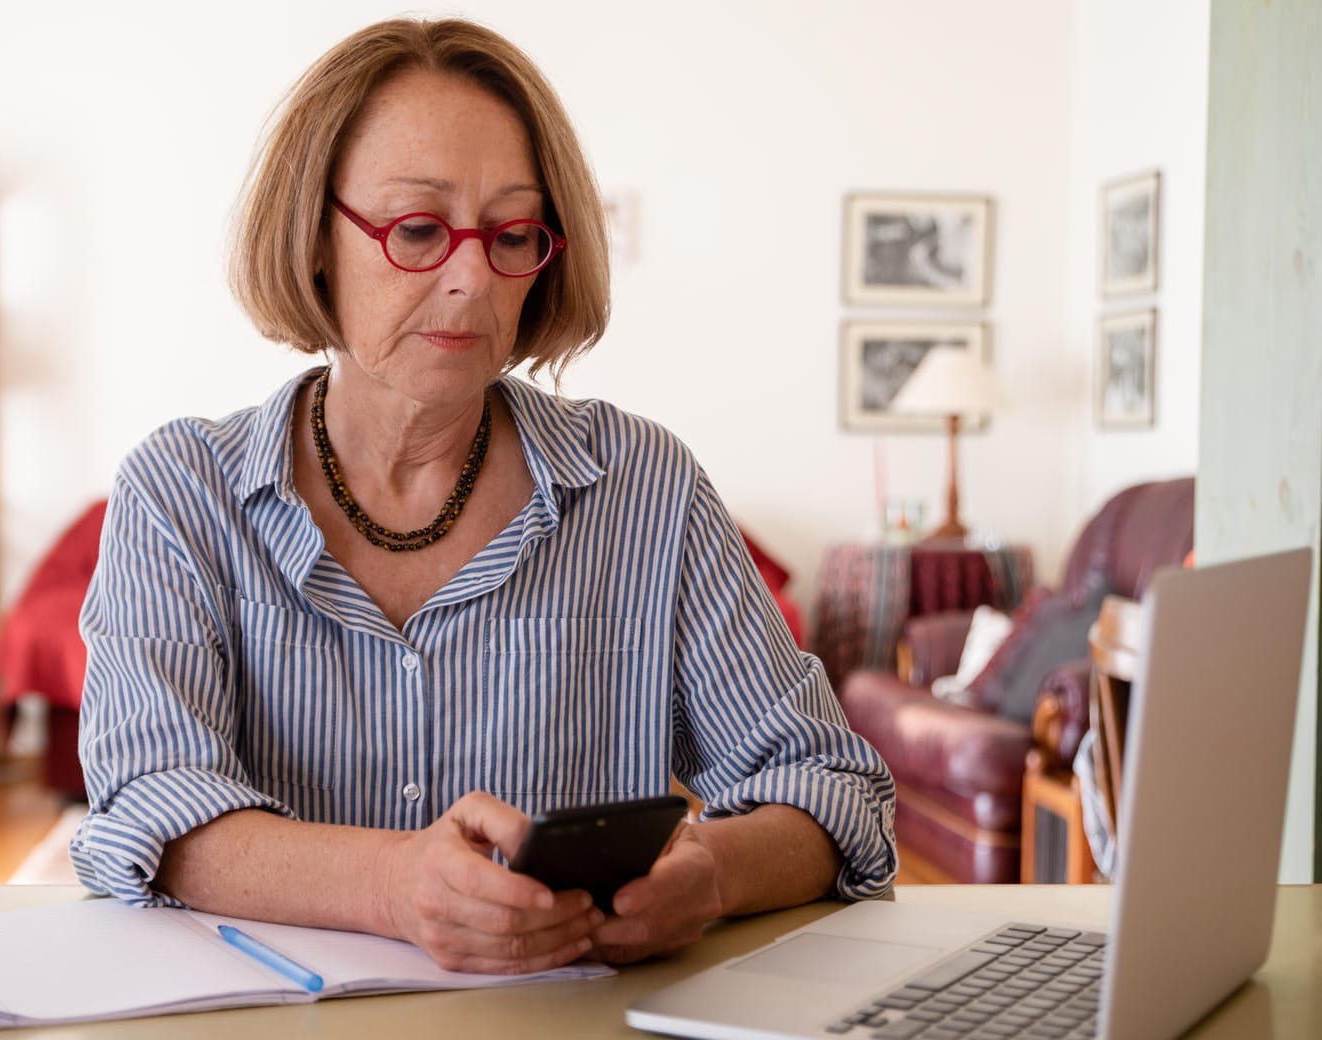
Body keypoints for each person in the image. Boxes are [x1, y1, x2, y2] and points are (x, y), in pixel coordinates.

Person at [71, 17, 896, 975]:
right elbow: (148, 806)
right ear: (314, 240)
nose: (471, 278)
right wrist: (390, 884)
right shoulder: (180, 493)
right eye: (418, 229)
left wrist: (712, 873)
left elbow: (833, 787)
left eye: (511, 234)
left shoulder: (646, 488)